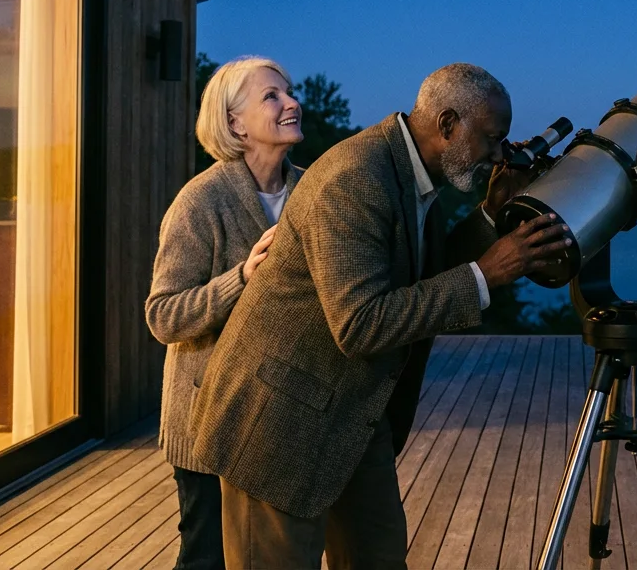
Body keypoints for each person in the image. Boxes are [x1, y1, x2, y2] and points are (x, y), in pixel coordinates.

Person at [189, 63, 569, 569]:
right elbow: (360, 324)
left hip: (350, 416)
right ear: (449, 125)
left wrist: (489, 214)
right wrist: (485, 275)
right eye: (492, 139)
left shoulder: (414, 173)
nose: (500, 154)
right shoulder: (357, 178)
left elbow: (421, 275)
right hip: (278, 424)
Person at [145, 56, 305, 570]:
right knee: (207, 560)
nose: (291, 103)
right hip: (209, 418)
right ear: (234, 122)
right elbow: (163, 315)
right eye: (271, 96)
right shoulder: (201, 201)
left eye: (289, 92)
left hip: (283, 418)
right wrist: (241, 278)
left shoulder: (311, 191)